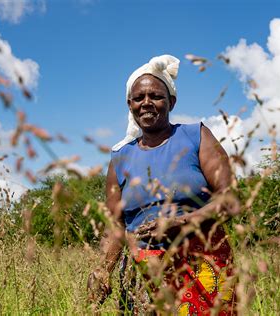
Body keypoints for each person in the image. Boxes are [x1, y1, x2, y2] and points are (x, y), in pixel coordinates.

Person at [87, 55, 238, 315]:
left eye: (156, 96)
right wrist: (103, 269)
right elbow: (116, 226)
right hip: (145, 274)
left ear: (171, 102)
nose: (146, 103)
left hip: (205, 265)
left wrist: (183, 222)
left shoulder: (196, 136)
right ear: (130, 105)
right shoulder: (120, 158)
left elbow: (230, 200)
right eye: (139, 98)